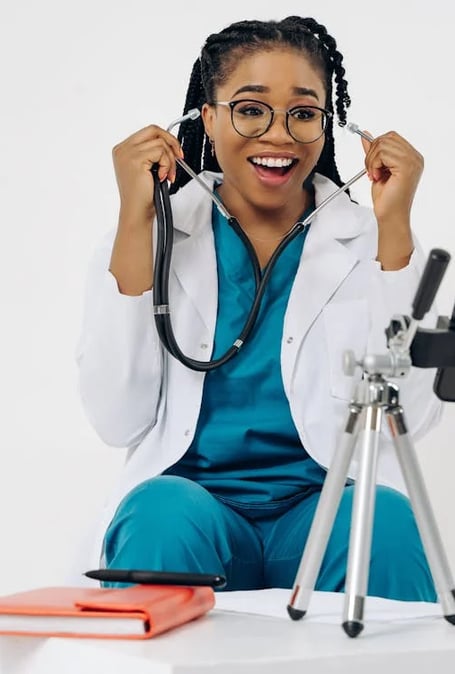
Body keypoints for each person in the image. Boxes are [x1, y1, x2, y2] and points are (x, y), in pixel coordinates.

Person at [76, 16, 442, 601]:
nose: (280, 136)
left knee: (383, 523)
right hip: (195, 508)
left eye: (304, 113)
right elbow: (116, 417)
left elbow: (411, 422)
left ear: (329, 125)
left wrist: (394, 221)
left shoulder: (374, 242)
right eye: (250, 109)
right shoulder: (153, 236)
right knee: (160, 517)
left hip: (321, 509)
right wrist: (135, 218)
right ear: (208, 119)